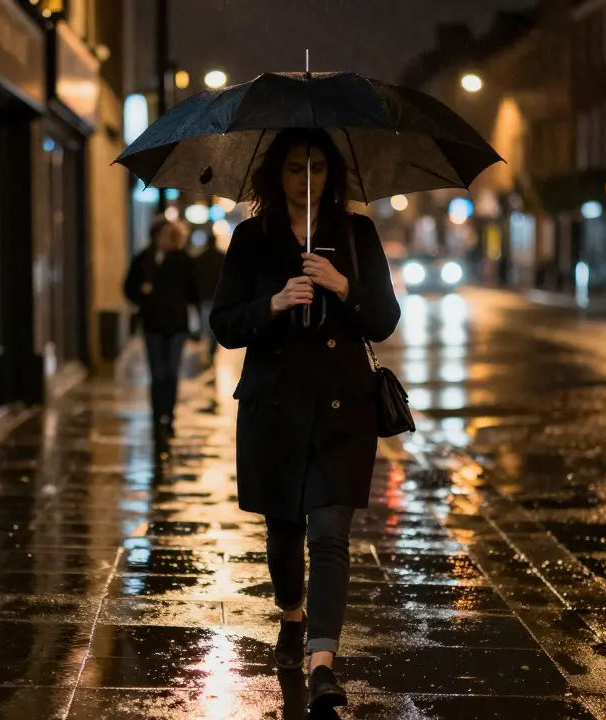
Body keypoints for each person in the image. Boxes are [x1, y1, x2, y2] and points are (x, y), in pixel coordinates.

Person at [209, 128, 400, 711]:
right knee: (285, 533)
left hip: (345, 411)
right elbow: (224, 324)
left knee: (330, 535)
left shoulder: (355, 232)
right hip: (274, 412)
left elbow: (385, 318)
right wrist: (272, 303)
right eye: (295, 167)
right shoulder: (251, 238)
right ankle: (291, 617)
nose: (307, 177)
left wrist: (343, 286)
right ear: (278, 174)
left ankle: (322, 663)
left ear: (332, 174)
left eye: (317, 166)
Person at [124, 219, 199, 441]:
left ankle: (169, 416)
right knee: (157, 374)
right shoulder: (144, 259)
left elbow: (194, 291)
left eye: (171, 235)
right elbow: (129, 288)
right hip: (153, 324)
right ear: (155, 236)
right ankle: (157, 417)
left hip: (177, 325)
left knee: (171, 372)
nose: (167, 239)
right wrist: (142, 292)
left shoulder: (184, 260)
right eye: (163, 235)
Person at [193, 231, 226, 366]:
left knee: (205, 326)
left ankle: (207, 352)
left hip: (205, 296)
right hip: (218, 297)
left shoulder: (200, 259)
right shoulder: (222, 257)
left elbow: (195, 279)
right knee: (214, 327)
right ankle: (211, 352)